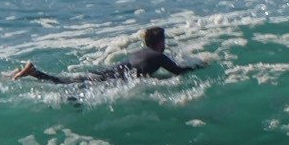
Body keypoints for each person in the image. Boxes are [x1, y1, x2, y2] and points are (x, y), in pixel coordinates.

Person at [10, 26, 197, 86]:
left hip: (108, 72)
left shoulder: (140, 52)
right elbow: (178, 71)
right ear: (159, 43)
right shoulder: (158, 56)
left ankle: (33, 72)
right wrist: (200, 66)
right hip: (113, 78)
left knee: (67, 81)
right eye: (164, 42)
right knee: (66, 84)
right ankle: (33, 71)